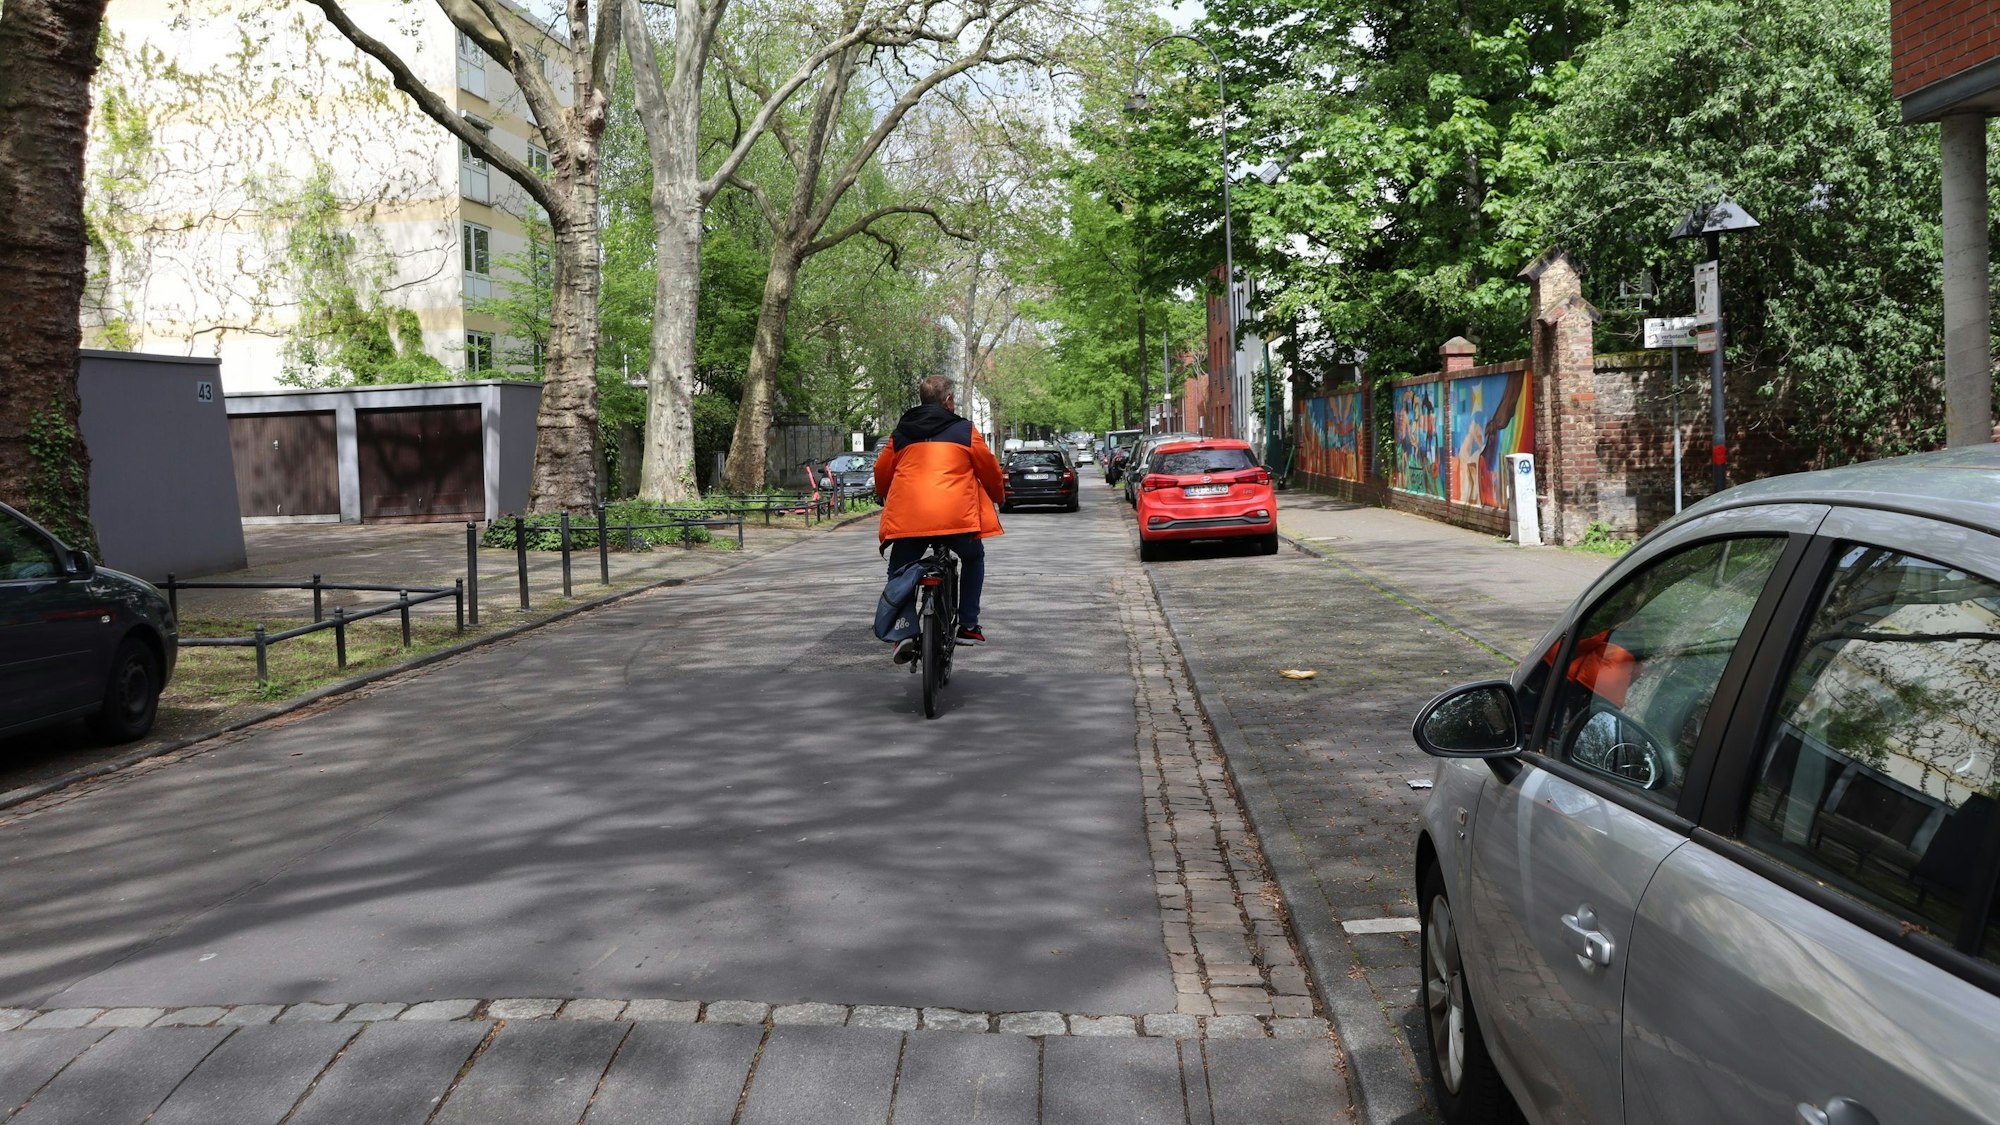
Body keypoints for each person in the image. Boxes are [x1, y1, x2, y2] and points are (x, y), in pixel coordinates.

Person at [874, 376, 1003, 662]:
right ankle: (968, 624)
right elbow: (990, 469)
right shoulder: (964, 430)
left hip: (910, 520)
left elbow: (882, 472)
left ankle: (904, 629)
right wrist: (998, 495)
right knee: (973, 557)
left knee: (899, 569)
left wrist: (883, 493)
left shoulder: (901, 434)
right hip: (957, 519)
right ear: (947, 401)